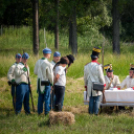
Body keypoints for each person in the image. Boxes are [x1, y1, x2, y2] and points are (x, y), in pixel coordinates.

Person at [84, 47, 106, 115]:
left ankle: (90, 113)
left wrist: (86, 85)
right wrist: (104, 84)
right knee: (96, 100)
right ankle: (96, 113)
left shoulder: (86, 66)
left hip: (90, 85)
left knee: (91, 99)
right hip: (97, 85)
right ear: (97, 58)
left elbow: (85, 77)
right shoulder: (98, 66)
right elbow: (101, 77)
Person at [34, 48, 54, 115]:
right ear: (48, 54)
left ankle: (39, 112)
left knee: (40, 97)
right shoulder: (48, 63)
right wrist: (52, 82)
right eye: (50, 54)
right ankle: (46, 112)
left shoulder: (38, 61)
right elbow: (50, 75)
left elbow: (35, 72)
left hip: (39, 81)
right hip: (46, 81)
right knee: (47, 98)